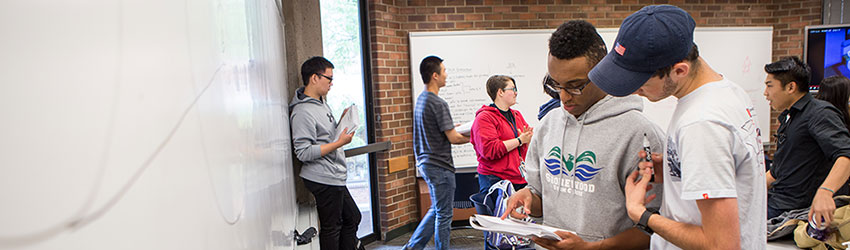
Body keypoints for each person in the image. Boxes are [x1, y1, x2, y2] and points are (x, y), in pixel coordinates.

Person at [589, 5, 766, 249]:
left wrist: (641, 214)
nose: (634, 91)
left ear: (679, 70)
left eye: (640, 83)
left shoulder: (702, 123)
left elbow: (721, 244)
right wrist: (678, 170)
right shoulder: (727, 93)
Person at [502, 20, 664, 250]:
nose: (564, 97)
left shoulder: (640, 135)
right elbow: (540, 199)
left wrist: (591, 247)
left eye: (575, 86)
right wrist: (527, 196)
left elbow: (654, 228)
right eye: (556, 85)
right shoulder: (548, 126)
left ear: (604, 72)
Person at [763, 57, 850, 226]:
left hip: (790, 210)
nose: (765, 93)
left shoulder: (819, 114)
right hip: (776, 201)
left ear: (790, 87)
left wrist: (825, 192)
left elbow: (846, 154)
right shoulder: (791, 117)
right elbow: (776, 173)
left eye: (769, 85)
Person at [289, 56, 361, 250]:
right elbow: (303, 152)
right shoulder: (302, 112)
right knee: (332, 228)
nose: (331, 83)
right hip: (323, 178)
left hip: (333, 175)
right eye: (329, 78)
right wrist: (339, 143)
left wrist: (342, 122)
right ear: (314, 78)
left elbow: (324, 137)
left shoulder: (320, 103)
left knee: (352, 217)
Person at [404, 55, 470, 250]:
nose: (446, 75)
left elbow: (437, 129)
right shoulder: (439, 104)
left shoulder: (422, 100)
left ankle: (412, 247)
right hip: (440, 166)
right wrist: (474, 136)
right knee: (444, 214)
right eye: (444, 71)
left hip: (426, 163)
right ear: (435, 75)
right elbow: (454, 138)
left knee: (437, 209)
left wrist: (452, 127)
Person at [471, 75, 533, 195]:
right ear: (500, 92)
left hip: (519, 177)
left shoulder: (516, 115)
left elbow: (528, 139)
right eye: (512, 89)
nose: (516, 93)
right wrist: (519, 140)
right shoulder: (485, 118)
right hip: (496, 179)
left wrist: (528, 139)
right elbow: (490, 150)